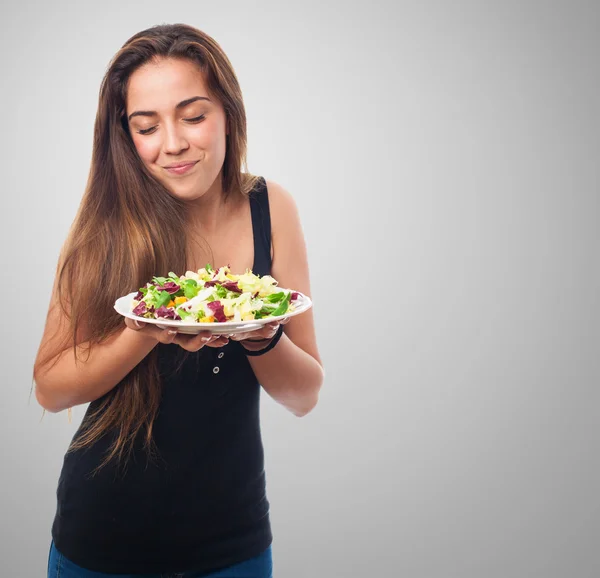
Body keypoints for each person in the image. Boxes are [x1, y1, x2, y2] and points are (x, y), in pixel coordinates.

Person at [33, 23, 324, 578]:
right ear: (127, 135)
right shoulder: (108, 224)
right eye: (147, 126)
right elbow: (49, 388)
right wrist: (144, 331)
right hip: (103, 542)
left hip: (232, 543)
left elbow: (305, 394)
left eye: (193, 116)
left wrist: (262, 335)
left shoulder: (271, 206)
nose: (173, 144)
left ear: (228, 112)